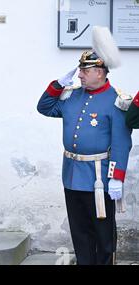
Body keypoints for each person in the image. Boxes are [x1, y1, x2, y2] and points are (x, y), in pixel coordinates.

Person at [37, 50, 132, 265]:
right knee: (80, 234)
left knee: (103, 235)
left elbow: (121, 142)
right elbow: (44, 107)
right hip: (72, 175)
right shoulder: (72, 95)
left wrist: (117, 177)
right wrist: (58, 84)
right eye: (80, 70)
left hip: (99, 179)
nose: (79, 75)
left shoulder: (116, 100)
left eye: (84, 70)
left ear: (99, 72)